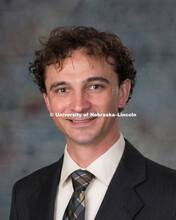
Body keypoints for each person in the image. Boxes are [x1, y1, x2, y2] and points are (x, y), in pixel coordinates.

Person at [10, 26, 176, 220]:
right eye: (62, 90)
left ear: (122, 93)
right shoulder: (25, 194)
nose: (79, 106)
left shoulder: (170, 194)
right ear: (48, 101)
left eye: (95, 86)